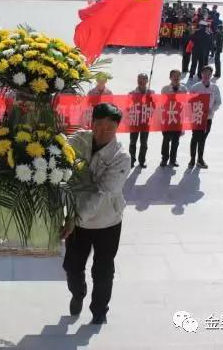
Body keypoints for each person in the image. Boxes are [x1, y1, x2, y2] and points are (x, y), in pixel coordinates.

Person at [62, 103, 130, 325]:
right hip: (78, 223)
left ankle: (99, 311)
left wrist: (74, 220)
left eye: (110, 128)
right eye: (99, 126)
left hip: (107, 222)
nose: (103, 132)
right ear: (92, 123)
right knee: (72, 266)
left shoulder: (121, 157)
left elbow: (101, 193)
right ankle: (78, 292)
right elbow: (60, 154)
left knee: (103, 270)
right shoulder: (80, 140)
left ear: (117, 128)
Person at [188, 65, 221, 169]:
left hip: (208, 117)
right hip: (197, 117)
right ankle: (192, 159)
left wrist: (212, 110)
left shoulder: (214, 88)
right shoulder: (195, 87)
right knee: (195, 137)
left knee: (203, 138)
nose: (206, 75)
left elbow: (218, 102)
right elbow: (189, 101)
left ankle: (200, 159)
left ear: (211, 75)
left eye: (209, 73)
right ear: (201, 74)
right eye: (205, 73)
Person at [160, 70, 188, 167]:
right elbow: (162, 103)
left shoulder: (184, 89)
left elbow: (185, 103)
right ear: (170, 77)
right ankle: (164, 158)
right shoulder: (165, 89)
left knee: (176, 140)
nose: (176, 78)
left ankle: (173, 159)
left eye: (178, 76)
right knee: (166, 139)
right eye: (174, 76)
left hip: (178, 118)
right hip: (167, 117)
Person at [128, 73, 154, 168]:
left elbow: (155, 106)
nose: (140, 81)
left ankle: (142, 160)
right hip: (134, 120)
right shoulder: (132, 93)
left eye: (143, 79)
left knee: (144, 143)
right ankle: (131, 160)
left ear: (147, 80)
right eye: (139, 79)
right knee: (133, 142)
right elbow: (127, 106)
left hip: (145, 121)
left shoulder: (151, 93)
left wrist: (150, 98)